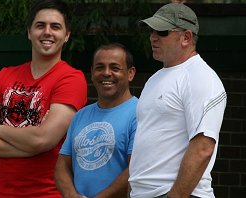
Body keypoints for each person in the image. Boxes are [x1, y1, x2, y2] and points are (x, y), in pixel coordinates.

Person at [0, 0, 87, 197]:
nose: (47, 32)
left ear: (66, 36)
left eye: (55, 27)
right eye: (40, 25)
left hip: (46, 194)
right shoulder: (4, 76)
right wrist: (30, 146)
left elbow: (42, 139)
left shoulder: (71, 79)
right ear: (29, 32)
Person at [129, 3, 227, 198]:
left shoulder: (201, 77)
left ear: (186, 37)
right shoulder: (155, 78)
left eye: (162, 32)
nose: (153, 37)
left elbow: (203, 147)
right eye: (151, 31)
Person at [54, 43, 137, 198]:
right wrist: (71, 195)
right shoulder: (80, 116)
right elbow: (62, 166)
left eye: (115, 68)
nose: (106, 73)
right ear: (92, 73)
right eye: (100, 67)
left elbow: (136, 169)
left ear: (130, 73)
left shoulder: (140, 113)